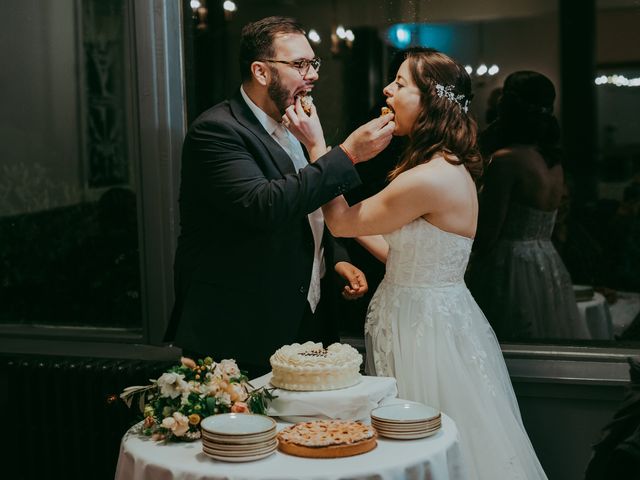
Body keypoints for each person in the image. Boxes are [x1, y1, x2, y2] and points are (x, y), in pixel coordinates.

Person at [288, 47, 547, 479]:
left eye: (401, 83)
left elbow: (339, 222)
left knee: (417, 442)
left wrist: (318, 145)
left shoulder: (428, 178)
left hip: (421, 333)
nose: (387, 90)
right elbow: (403, 256)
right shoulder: (449, 167)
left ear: (431, 101)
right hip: (435, 319)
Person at [164, 16, 395, 378]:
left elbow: (309, 204)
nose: (314, 74)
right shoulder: (217, 131)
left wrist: (333, 257)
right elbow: (264, 205)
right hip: (243, 324)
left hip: (309, 315)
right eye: (300, 64)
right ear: (260, 72)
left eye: (313, 63)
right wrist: (347, 154)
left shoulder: (295, 123)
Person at [466, 71, 590, 341]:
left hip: (508, 264)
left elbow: (489, 231)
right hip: (545, 259)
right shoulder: (553, 162)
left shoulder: (507, 161)